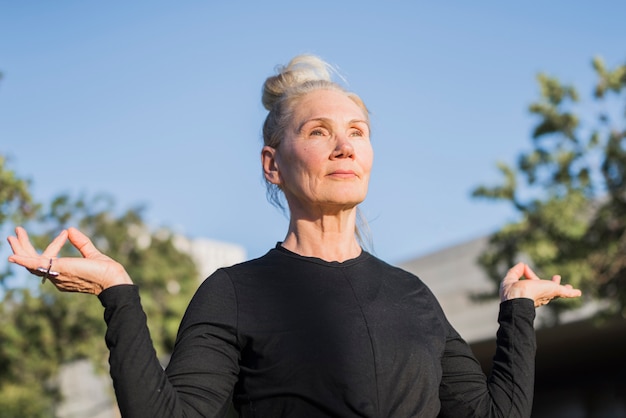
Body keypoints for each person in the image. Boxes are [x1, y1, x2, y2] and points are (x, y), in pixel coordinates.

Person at [7, 55, 582, 418]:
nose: (345, 146)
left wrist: (516, 312)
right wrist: (120, 295)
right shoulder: (234, 293)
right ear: (272, 164)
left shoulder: (413, 297)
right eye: (318, 132)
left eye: (357, 132)